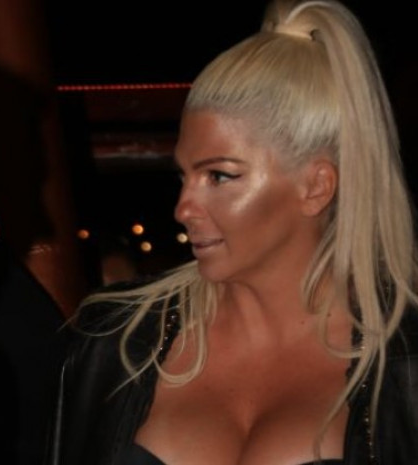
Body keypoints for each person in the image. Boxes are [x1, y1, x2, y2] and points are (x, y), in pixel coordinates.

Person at [49, 0, 418, 464]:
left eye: (219, 176)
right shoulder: (117, 341)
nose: (183, 208)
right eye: (183, 176)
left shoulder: (405, 366)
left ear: (316, 186)